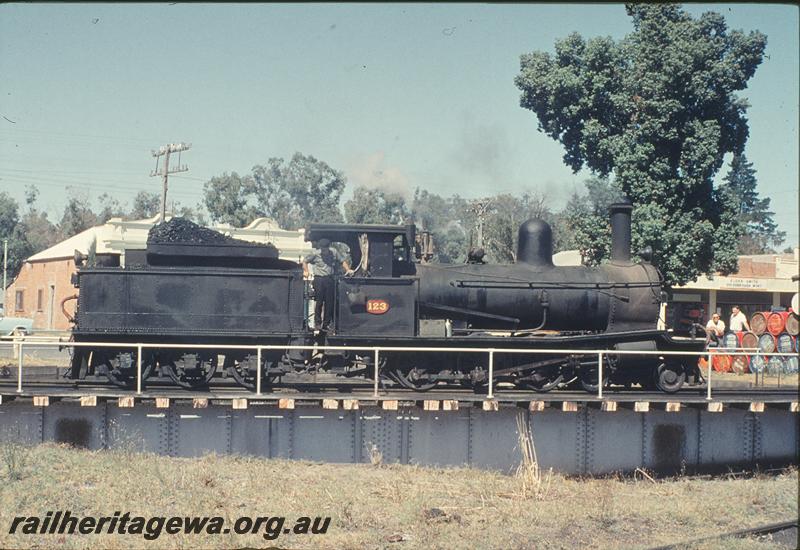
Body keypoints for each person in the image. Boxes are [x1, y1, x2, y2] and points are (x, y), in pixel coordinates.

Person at [302, 238, 352, 331]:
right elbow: (305, 261)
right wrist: (306, 271)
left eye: (325, 248)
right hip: (319, 279)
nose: (324, 250)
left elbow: (342, 261)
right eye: (322, 248)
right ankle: (317, 323)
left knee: (329, 302)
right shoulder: (315, 254)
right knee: (319, 301)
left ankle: (326, 324)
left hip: (329, 278)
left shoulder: (334, 252)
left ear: (328, 247)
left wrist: (347, 269)